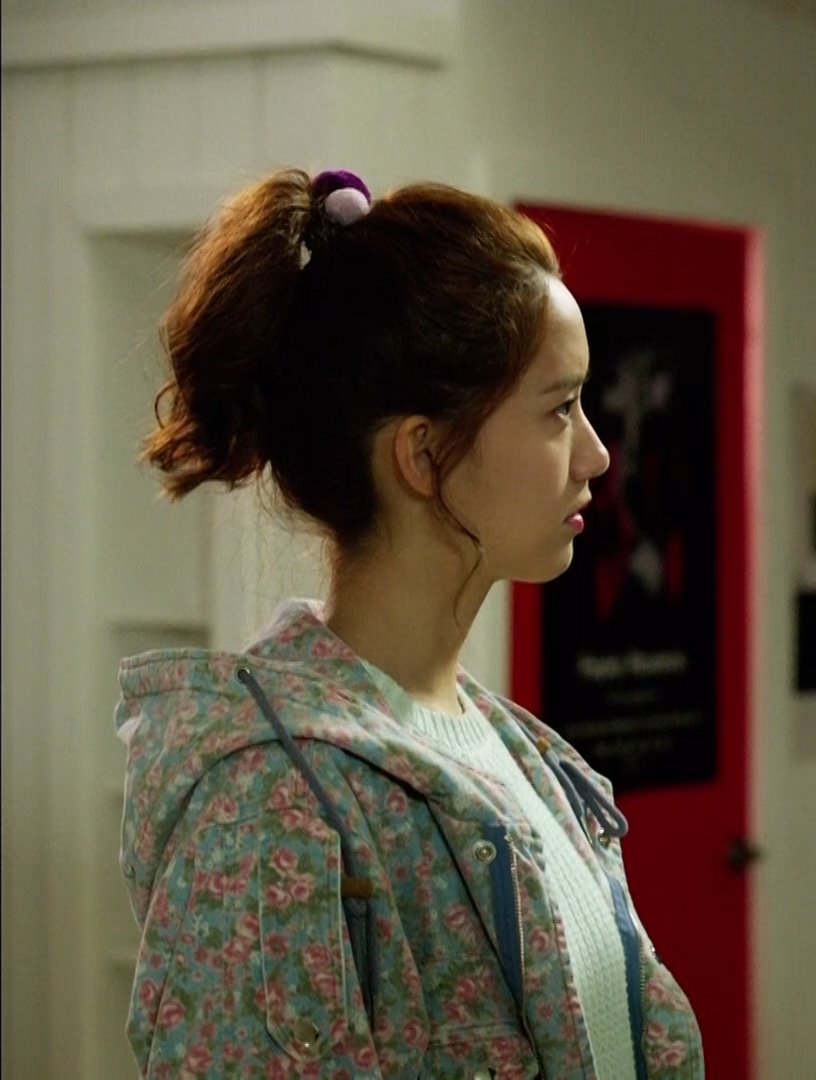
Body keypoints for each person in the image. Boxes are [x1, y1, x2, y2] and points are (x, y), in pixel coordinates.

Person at [115, 169, 703, 1077]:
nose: (597, 453)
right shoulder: (270, 801)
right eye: (559, 409)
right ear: (423, 455)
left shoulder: (525, 759)